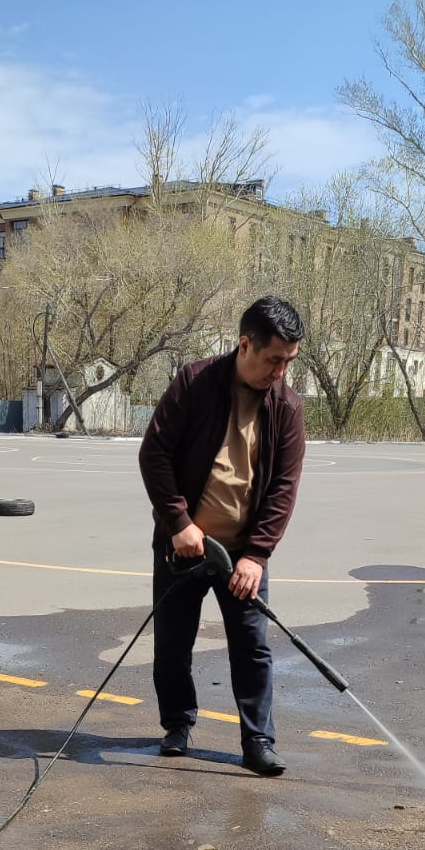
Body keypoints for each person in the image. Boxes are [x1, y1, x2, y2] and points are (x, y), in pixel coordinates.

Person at [138, 296, 306, 776]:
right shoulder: (194, 382)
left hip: (242, 556)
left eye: (288, 362)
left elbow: (283, 489)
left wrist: (257, 555)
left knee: (252, 647)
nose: (280, 372)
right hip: (184, 547)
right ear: (245, 345)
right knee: (173, 643)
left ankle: (258, 741)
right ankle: (177, 725)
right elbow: (155, 454)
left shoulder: (287, 408)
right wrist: (179, 524)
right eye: (273, 359)